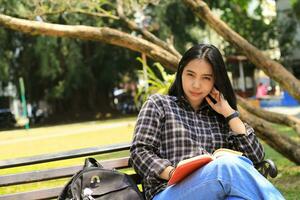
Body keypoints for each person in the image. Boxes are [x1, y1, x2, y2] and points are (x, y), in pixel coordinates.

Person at [130, 44, 284, 200]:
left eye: (206, 78)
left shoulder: (220, 116)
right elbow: (139, 152)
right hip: (169, 192)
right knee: (225, 166)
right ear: (181, 72)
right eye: (190, 74)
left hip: (214, 192)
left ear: (215, 81)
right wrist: (172, 173)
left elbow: (256, 158)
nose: (196, 84)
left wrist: (229, 113)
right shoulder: (159, 104)